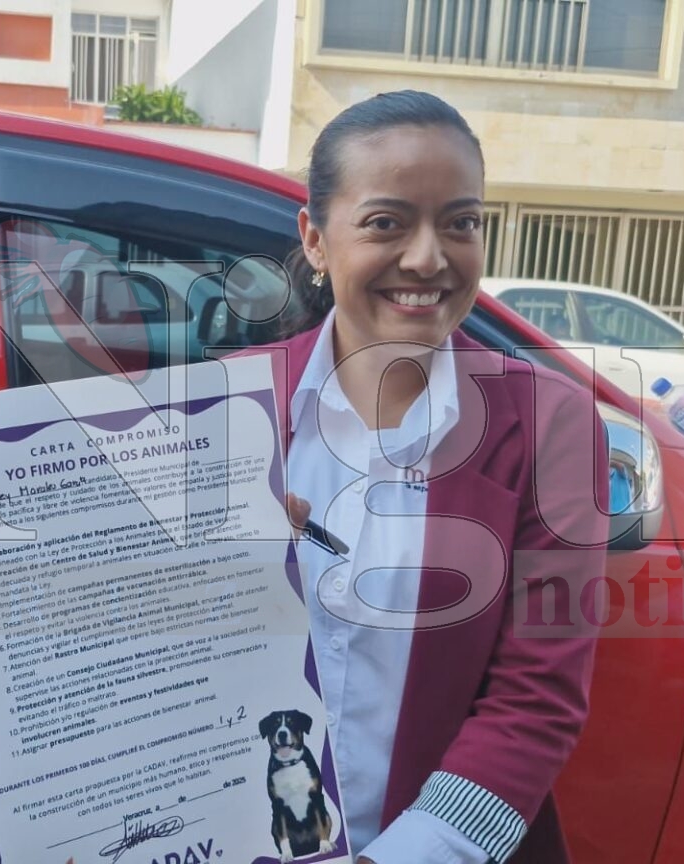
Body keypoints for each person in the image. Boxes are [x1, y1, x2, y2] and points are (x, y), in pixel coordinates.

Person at [269, 91, 609, 863]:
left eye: (460, 223)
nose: (429, 258)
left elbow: (537, 702)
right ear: (316, 240)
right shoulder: (228, 407)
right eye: (387, 222)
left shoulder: (549, 424)